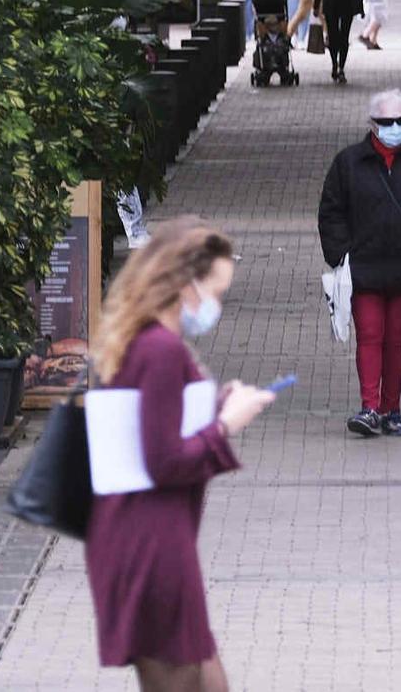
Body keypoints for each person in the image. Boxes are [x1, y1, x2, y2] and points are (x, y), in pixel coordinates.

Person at [84, 219, 275, 691]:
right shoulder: (160, 349)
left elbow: (153, 421)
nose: (216, 305)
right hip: (150, 542)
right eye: (215, 290)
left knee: (209, 681)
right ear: (184, 285)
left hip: (147, 534)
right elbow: (164, 458)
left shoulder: (147, 342)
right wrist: (228, 423)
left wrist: (213, 405)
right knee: (183, 680)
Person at [317, 88, 401, 437]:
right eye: (387, 121)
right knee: (370, 334)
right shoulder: (348, 162)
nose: (395, 127)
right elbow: (331, 211)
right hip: (364, 267)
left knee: (396, 339)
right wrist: (341, 254)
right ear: (372, 124)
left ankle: (392, 408)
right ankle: (370, 407)